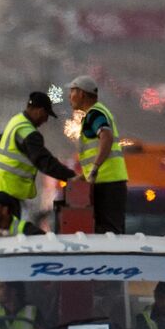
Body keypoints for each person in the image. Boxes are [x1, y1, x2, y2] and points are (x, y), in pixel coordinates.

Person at [0, 91, 78, 219]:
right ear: (39, 111)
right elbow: (44, 162)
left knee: (1, 235)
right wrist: (72, 176)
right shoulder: (28, 132)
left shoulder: (16, 121)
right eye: (46, 115)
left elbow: (1, 140)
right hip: (6, 195)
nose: (45, 120)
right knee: (6, 236)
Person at [69, 76, 128, 235]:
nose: (70, 96)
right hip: (108, 181)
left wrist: (94, 168)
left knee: (109, 232)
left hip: (107, 182)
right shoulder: (99, 111)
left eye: (72, 91)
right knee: (109, 231)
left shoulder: (94, 114)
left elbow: (106, 136)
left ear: (82, 94)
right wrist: (84, 175)